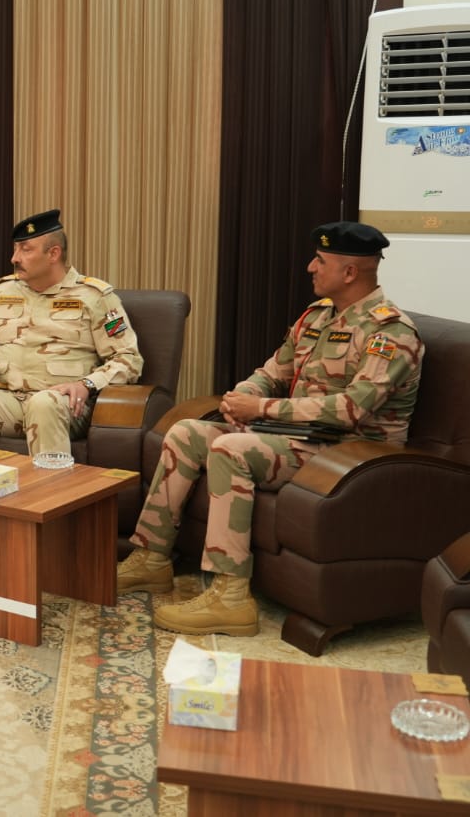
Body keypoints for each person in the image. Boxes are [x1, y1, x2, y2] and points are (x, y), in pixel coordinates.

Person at [117, 221, 424, 636]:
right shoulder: (317, 316)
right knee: (187, 433)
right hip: (299, 440)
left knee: (230, 450)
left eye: (321, 261)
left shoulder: (391, 333)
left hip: (349, 454)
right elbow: (273, 372)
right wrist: (239, 398)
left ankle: (230, 597)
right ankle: (152, 557)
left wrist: (261, 409)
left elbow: (350, 409)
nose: (310, 267)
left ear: (350, 272)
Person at [0, 209, 144, 462]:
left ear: (53, 254)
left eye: (25, 250)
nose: (14, 258)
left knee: (44, 403)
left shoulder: (95, 297)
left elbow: (128, 359)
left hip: (65, 405)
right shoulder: (3, 292)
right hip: (8, 400)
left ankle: (51, 487)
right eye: (15, 249)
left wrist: (86, 385)